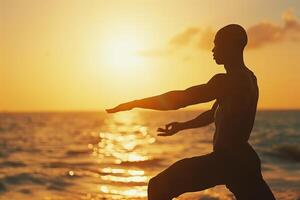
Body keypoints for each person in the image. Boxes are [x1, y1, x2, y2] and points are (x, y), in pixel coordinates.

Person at [106, 24, 276, 200]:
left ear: (231, 46)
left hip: (227, 161)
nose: (213, 49)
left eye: (217, 44)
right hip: (245, 160)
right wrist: (182, 126)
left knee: (158, 186)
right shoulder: (249, 78)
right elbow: (212, 114)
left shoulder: (226, 82)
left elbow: (182, 99)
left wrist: (135, 103)